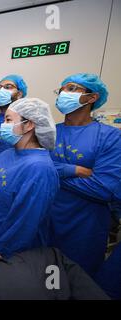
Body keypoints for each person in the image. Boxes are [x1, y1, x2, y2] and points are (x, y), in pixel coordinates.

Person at [49, 73, 121, 277]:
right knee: (47, 281)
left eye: (72, 89)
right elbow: (36, 170)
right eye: (62, 89)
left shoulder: (110, 137)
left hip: (85, 228)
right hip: (48, 222)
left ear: (92, 98)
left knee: (79, 284)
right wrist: (75, 170)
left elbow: (104, 189)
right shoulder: (50, 132)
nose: (64, 93)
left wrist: (54, 172)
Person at [0, 98, 59, 258]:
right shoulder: (6, 154)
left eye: (8, 120)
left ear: (29, 125)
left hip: (6, 250)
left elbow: (25, 224)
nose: (3, 125)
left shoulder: (39, 168)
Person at [0, 75, 28, 174]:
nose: (1, 90)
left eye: (8, 87)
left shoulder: (26, 121)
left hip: (15, 175)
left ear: (19, 94)